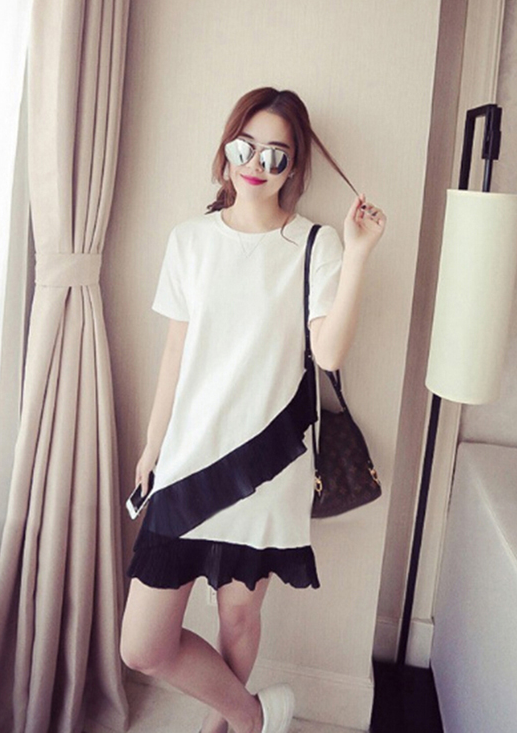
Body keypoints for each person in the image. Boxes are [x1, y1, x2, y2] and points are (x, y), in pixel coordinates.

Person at [120, 87, 386, 733]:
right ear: (226, 149)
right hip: (188, 460)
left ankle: (224, 728)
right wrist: (153, 447)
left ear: (293, 167)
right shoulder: (190, 240)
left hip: (267, 464)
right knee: (142, 645)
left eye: (275, 155)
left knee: (238, 615)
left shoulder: (315, 244)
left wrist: (357, 256)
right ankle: (254, 717)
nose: (256, 165)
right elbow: (175, 355)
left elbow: (329, 352)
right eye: (245, 148)